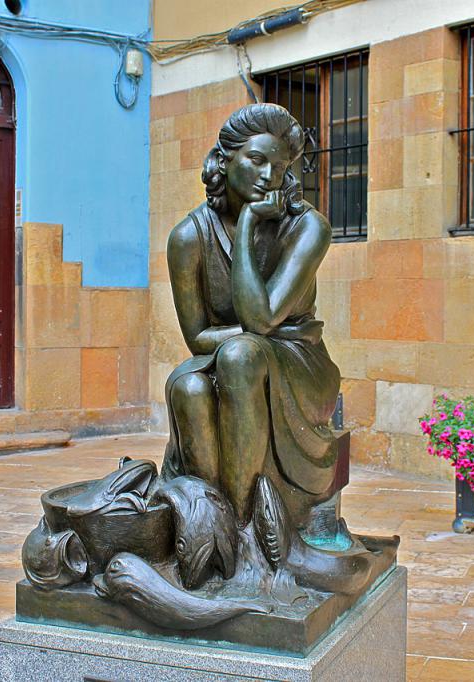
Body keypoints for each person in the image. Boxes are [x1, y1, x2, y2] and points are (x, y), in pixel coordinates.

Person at [162, 103, 340, 524]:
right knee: (189, 387)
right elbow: (198, 338)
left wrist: (246, 227)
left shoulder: (307, 227)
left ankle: (243, 530)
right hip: (231, 358)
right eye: (256, 160)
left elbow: (262, 320)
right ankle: (209, 519)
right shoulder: (188, 238)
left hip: (302, 365)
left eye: (279, 167)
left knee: (241, 355)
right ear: (223, 161)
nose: (268, 176)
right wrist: (247, 338)